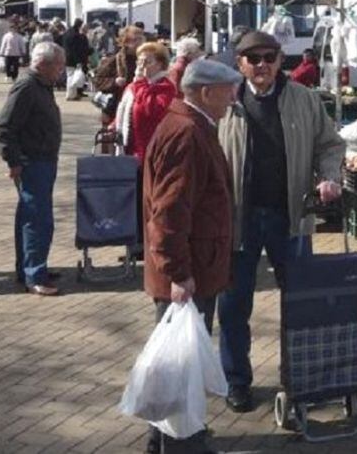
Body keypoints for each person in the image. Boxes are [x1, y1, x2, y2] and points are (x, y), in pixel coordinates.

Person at [217, 30, 346, 413]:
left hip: (290, 217)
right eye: (253, 58)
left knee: (301, 304)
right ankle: (237, 381)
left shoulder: (304, 100)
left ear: (279, 60)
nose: (262, 65)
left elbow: (330, 144)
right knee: (234, 306)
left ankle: (299, 377)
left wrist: (329, 176)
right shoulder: (226, 102)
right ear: (239, 63)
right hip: (239, 220)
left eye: (269, 57)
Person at [142, 59, 241, 453]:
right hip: (188, 271)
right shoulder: (187, 133)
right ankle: (179, 443)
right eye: (228, 90)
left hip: (193, 266)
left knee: (182, 362)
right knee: (180, 365)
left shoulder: (193, 127)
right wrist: (178, 273)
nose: (233, 98)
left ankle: (172, 436)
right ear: (205, 92)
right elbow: (169, 212)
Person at [0, 42, 65, 296]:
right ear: (44, 64)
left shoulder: (41, 86)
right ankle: (34, 274)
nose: (61, 71)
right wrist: (13, 160)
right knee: (37, 219)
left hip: (43, 160)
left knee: (32, 216)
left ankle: (31, 267)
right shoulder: (27, 86)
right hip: (32, 162)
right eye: (58, 66)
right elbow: (5, 126)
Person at [116, 42, 177, 162]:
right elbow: (126, 110)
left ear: (160, 65)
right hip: (129, 149)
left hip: (151, 151)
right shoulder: (134, 86)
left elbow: (151, 110)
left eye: (147, 62)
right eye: (139, 62)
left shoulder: (165, 87)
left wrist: (140, 83)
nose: (142, 66)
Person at [92, 25, 144, 121]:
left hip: (140, 107)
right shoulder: (114, 60)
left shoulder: (146, 60)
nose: (140, 43)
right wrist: (115, 82)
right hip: (117, 109)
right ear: (126, 42)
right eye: (136, 39)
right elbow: (98, 80)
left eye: (141, 38)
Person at [61, 19, 92, 100]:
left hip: (66, 57)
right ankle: (71, 95)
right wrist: (78, 61)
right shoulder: (76, 35)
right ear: (79, 25)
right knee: (73, 78)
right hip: (74, 59)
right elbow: (76, 50)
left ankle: (71, 94)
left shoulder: (67, 33)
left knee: (70, 76)